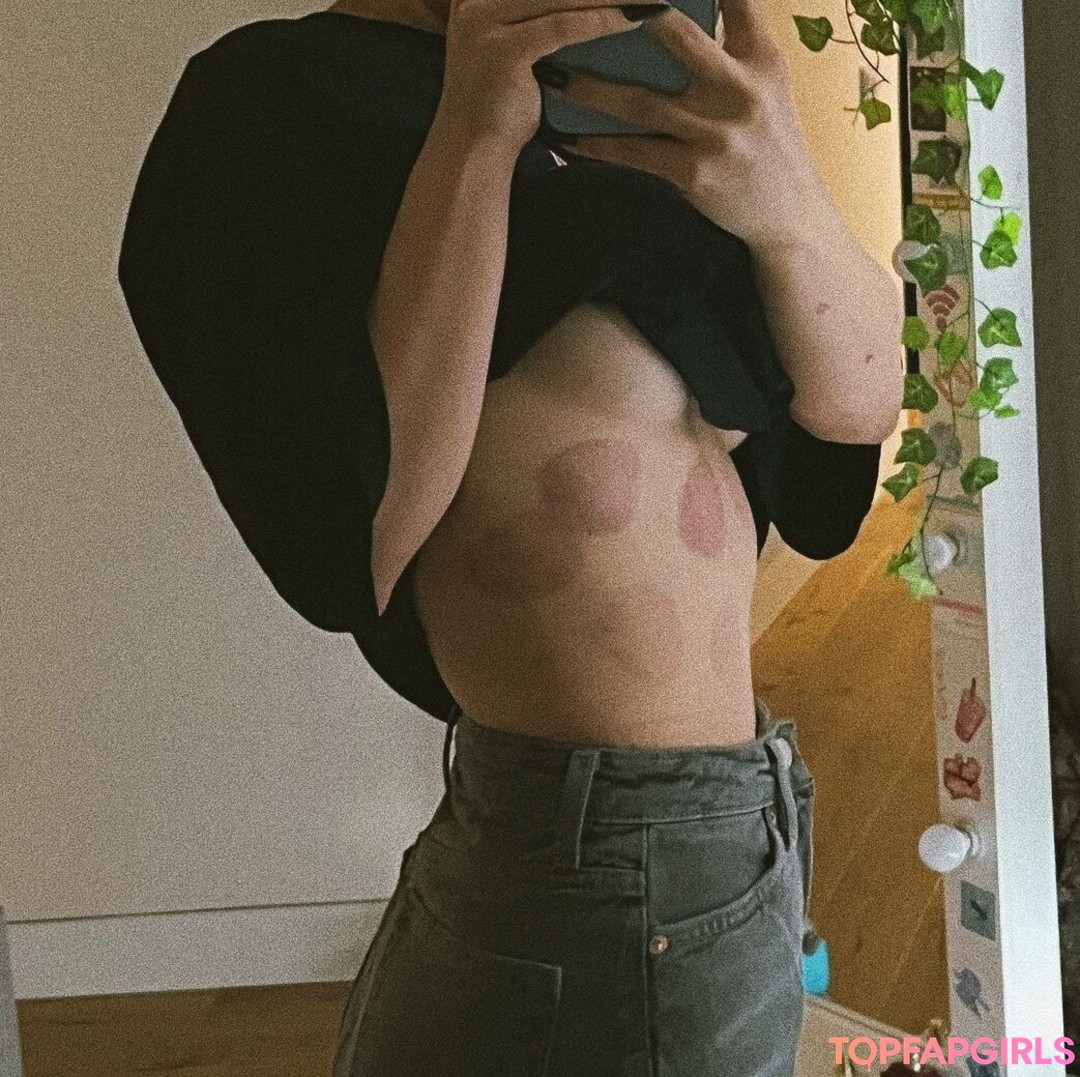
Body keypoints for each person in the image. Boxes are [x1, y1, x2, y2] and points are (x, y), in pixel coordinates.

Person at [117, 0, 905, 1072]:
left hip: (714, 813)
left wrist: (790, 203)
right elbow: (349, 544)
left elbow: (840, 451)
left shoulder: (666, 91)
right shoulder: (268, 99)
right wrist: (477, 133)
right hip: (590, 835)